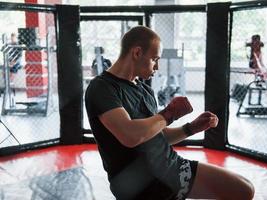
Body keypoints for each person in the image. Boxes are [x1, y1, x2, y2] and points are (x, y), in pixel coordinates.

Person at [85, 26, 255, 200]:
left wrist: (191, 128)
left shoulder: (144, 90)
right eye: (154, 59)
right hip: (140, 186)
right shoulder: (102, 88)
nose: (157, 66)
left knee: (244, 189)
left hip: (171, 169)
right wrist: (169, 114)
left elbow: (157, 136)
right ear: (136, 53)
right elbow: (129, 135)